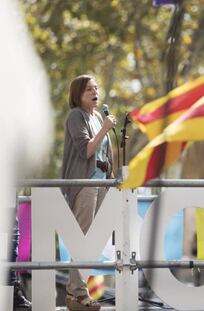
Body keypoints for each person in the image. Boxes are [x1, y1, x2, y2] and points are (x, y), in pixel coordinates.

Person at [61, 75, 116, 311]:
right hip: (84, 184)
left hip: (102, 184)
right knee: (82, 237)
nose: (95, 92)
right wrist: (105, 129)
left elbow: (105, 156)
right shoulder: (77, 116)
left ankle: (77, 293)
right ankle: (77, 294)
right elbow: (86, 150)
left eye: (96, 88)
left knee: (93, 241)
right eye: (88, 90)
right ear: (78, 94)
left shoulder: (96, 116)